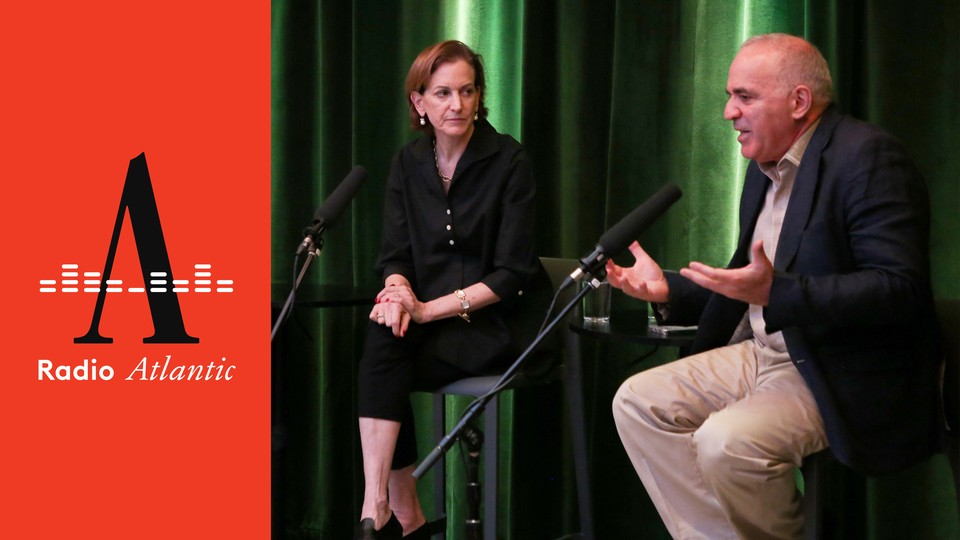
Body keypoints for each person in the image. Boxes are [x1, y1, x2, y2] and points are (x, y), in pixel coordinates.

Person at [607, 33, 943, 539]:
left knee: (727, 441)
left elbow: (898, 289)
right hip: (763, 349)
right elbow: (749, 282)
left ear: (799, 102)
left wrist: (779, 294)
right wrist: (670, 290)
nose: (728, 113)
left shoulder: (868, 158)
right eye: (729, 96)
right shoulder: (764, 168)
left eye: (744, 96)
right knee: (638, 401)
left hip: (835, 360)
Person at [356, 40, 549, 540]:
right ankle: (382, 506)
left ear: (480, 96)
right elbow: (394, 255)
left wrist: (423, 310)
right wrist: (397, 293)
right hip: (427, 318)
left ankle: (399, 518)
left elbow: (513, 274)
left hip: (498, 322)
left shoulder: (510, 161)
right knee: (382, 339)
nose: (457, 105)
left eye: (467, 91)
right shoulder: (408, 162)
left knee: (381, 371)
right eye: (442, 93)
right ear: (419, 102)